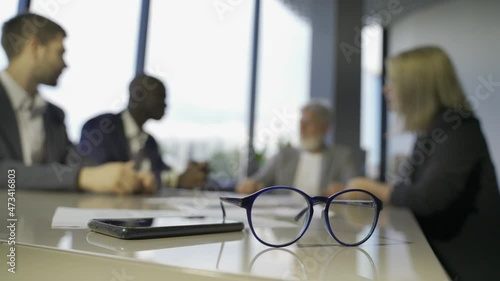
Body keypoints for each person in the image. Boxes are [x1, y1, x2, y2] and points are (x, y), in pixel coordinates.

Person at [345, 46, 500, 280]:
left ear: (417, 88)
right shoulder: (434, 130)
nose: (386, 90)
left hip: (465, 266)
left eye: (393, 82)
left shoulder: (459, 130)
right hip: (443, 258)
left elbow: (428, 198)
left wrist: (371, 188)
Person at [0, 13, 155, 194]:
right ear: (35, 48)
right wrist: (82, 177)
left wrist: (122, 176)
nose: (65, 64)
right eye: (60, 52)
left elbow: (72, 160)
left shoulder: (53, 114)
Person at [79, 74, 206, 189]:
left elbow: (161, 171)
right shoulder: (99, 128)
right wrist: (175, 180)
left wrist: (188, 174)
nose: (165, 104)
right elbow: (104, 176)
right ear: (139, 96)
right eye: (160, 97)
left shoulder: (149, 141)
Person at [237, 101, 359, 196]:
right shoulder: (284, 155)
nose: (302, 128)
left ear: (325, 128)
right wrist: (249, 185)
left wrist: (343, 191)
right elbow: (257, 181)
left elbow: (356, 189)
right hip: (284, 219)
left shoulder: (342, 156)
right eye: (301, 122)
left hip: (325, 220)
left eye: (309, 123)